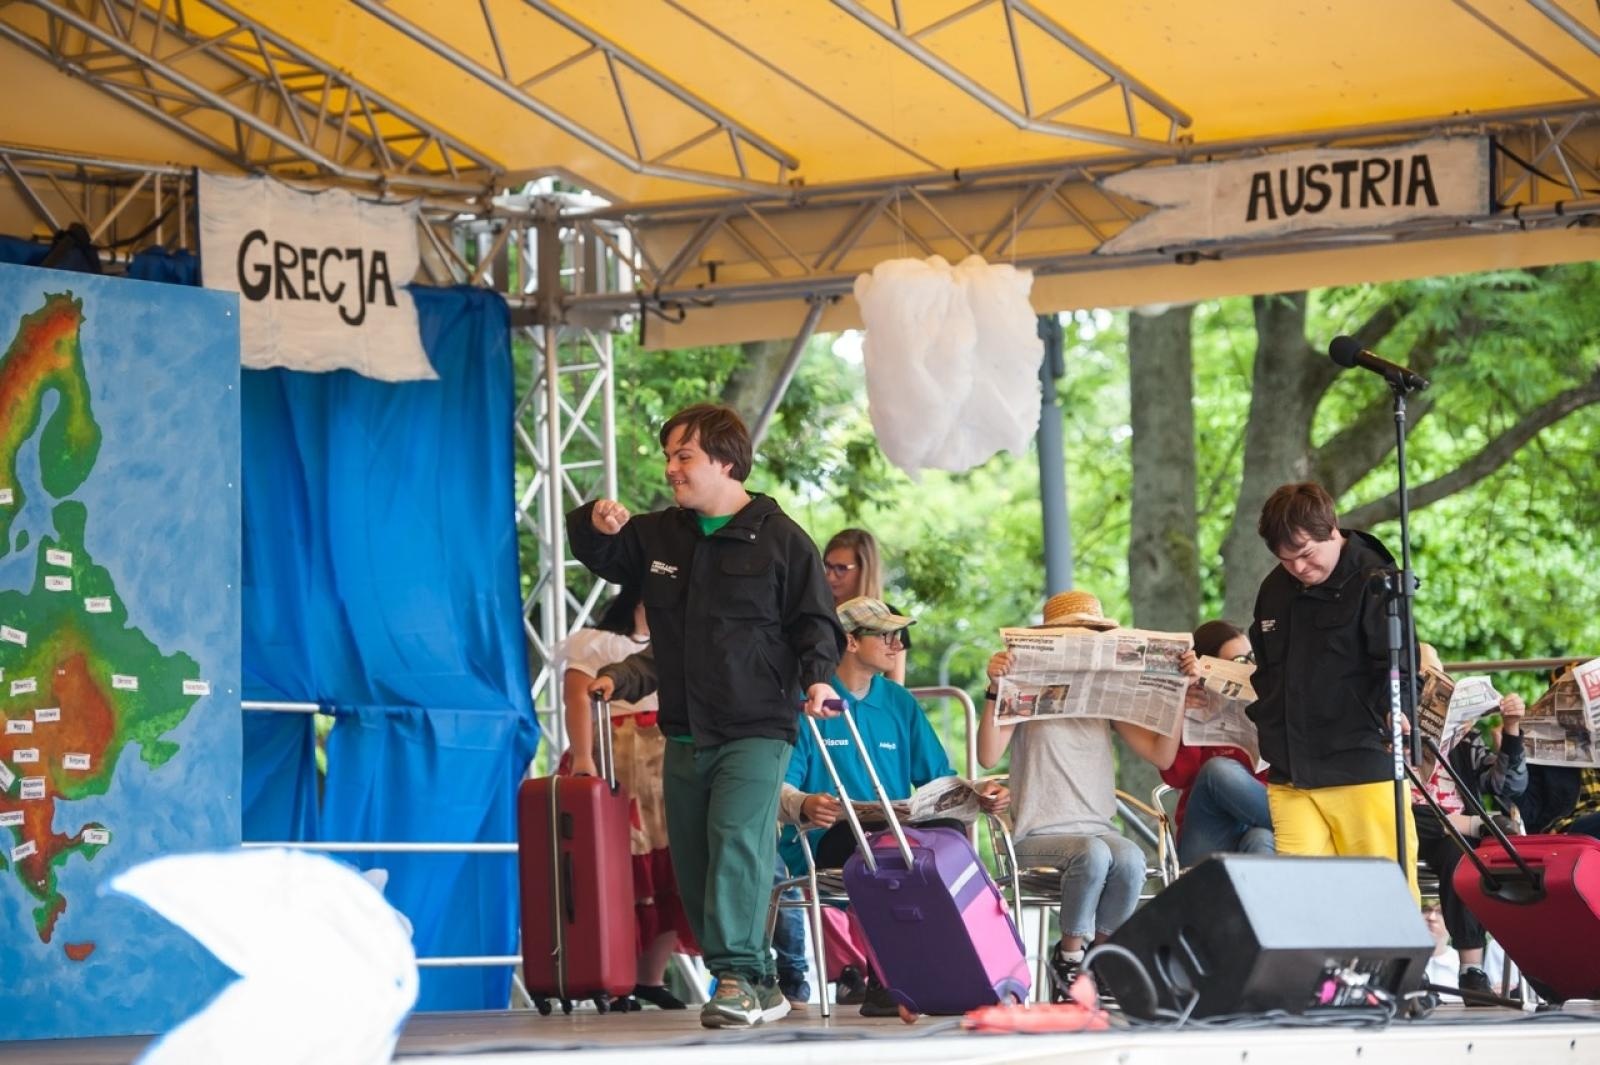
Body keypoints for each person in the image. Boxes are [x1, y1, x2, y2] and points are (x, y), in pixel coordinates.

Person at [569, 404, 844, 1029]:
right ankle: (766, 983)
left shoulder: (782, 539)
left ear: (725, 460)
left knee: (738, 847)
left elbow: (816, 625)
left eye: (683, 456)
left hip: (757, 727)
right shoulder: (660, 534)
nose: (671, 469)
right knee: (693, 864)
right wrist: (595, 520)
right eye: (668, 456)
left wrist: (820, 681)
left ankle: (739, 978)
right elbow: (601, 554)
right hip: (686, 728)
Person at [778, 597, 1008, 1016]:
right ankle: (893, 976)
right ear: (848, 641)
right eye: (885, 635)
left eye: (898, 635)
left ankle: (945, 971)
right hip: (824, 838)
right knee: (873, 845)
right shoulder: (808, 701)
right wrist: (806, 803)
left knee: (948, 834)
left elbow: (940, 779)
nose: (897, 644)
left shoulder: (899, 703)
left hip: (893, 833)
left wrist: (978, 792)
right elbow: (781, 789)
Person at [978, 590, 1180, 1000]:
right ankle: (1069, 958)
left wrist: (1177, 693)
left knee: (1130, 856)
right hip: (1039, 834)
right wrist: (993, 689)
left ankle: (1099, 960)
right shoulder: (1025, 689)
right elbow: (986, 756)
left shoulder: (1105, 699)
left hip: (1097, 830)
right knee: (1094, 853)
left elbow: (1162, 753)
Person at [1246, 482, 1421, 901]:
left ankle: (1398, 969)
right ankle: (1315, 970)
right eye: (1285, 560)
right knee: (1304, 904)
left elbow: (1399, 664)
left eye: (1306, 554)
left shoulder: (1375, 578)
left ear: (1332, 528)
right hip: (1292, 772)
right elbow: (1265, 669)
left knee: (1383, 900)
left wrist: (1396, 711)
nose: (1298, 568)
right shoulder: (1274, 589)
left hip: (1361, 767)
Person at [555, 585, 694, 1010]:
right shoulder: (598, 643)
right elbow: (576, 697)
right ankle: (612, 974)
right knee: (618, 871)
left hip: (669, 757)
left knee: (670, 870)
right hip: (619, 754)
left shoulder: (683, 642)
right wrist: (582, 755)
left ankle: (648, 977)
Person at [1408, 643, 1527, 1002]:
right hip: (1404, 816)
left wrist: (1511, 731)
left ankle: (1471, 970)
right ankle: (1473, 825)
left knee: (1462, 858)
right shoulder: (1386, 723)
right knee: (1407, 814)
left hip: (1450, 829)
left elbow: (1507, 786)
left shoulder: (1464, 735)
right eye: (1424, 676)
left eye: (1440, 672)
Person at [1169, 620, 1274, 866]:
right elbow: (1179, 777)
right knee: (1218, 769)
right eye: (1238, 662)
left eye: (1251, 658)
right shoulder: (1190, 703)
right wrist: (1183, 711)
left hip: (1256, 824)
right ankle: (1300, 826)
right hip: (1208, 834)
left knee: (1261, 839)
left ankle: (1255, 906)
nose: (1248, 667)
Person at [821, 529, 912, 685]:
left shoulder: (892, 619)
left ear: (865, 569)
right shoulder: (815, 613)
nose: (830, 575)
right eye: (827, 566)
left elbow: (895, 689)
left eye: (841, 568)